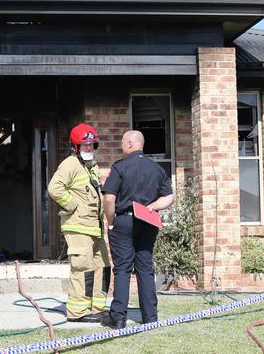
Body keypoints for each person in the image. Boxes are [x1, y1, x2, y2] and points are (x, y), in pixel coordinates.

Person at [100, 130, 175, 329]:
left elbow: (108, 198)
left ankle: (118, 318)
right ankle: (150, 317)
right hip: (148, 222)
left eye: (123, 142)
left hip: (123, 221)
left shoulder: (120, 167)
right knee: (145, 269)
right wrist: (152, 207)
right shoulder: (156, 169)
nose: (121, 146)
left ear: (131, 143)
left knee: (123, 269)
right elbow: (169, 197)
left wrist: (110, 221)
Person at [48, 123, 111, 323]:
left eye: (91, 145)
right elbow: (54, 188)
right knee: (82, 267)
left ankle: (97, 308)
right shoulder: (70, 164)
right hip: (78, 226)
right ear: (75, 147)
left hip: (94, 228)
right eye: (84, 145)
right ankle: (77, 312)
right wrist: (73, 205)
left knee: (103, 265)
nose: (88, 149)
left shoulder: (91, 167)